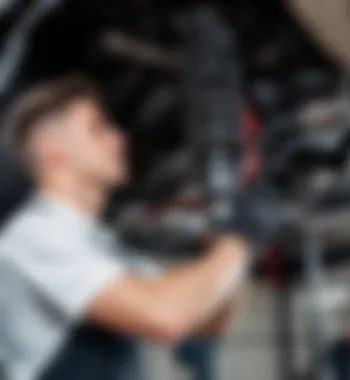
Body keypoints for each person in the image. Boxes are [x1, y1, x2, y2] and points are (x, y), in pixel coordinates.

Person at [0, 74, 277, 380]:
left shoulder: (100, 245)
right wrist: (238, 242)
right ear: (53, 151)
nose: (119, 138)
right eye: (98, 129)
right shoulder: (35, 236)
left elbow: (208, 323)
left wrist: (233, 240)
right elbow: (165, 317)